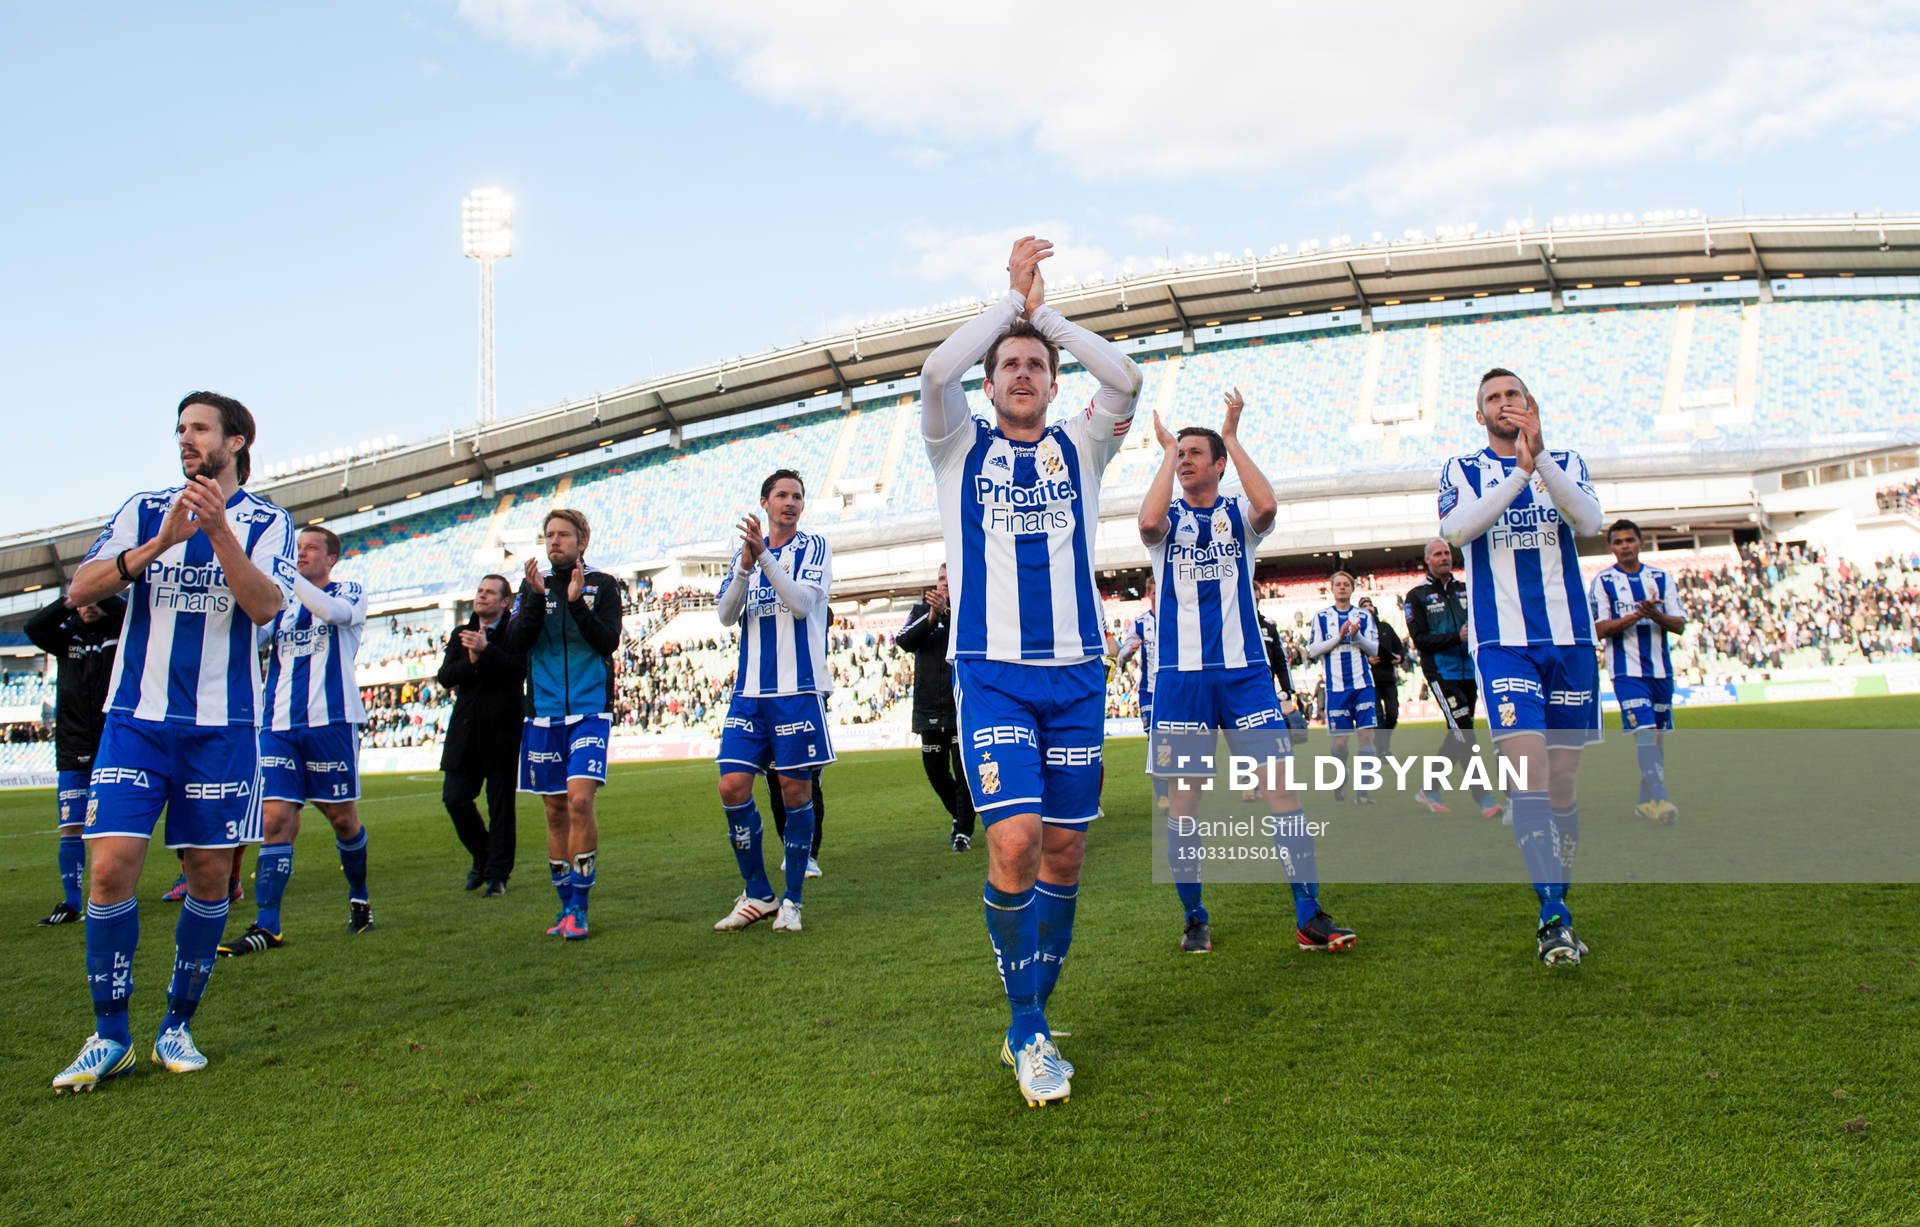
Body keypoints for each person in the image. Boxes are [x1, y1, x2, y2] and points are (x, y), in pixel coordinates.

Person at [921, 234, 1142, 1107]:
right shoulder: (955, 446)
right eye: (1008, 363)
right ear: (991, 378)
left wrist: (1045, 315)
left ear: (1052, 384)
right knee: (1011, 839)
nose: (1020, 372)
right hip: (993, 671)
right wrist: (1006, 304)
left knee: (1065, 849)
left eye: (1034, 365)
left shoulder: (1083, 448)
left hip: (1079, 674)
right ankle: (1024, 1025)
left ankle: (1036, 1013)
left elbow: (1125, 380)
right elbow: (935, 374)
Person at [53, 392, 294, 1091]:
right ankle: (110, 1034)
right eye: (179, 428)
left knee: (210, 877)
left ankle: (177, 1023)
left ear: (238, 439)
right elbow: (79, 589)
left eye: (198, 428)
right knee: (109, 870)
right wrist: (161, 541)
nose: (184, 439)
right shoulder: (141, 507)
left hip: (222, 728)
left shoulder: (267, 522)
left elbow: (266, 606)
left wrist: (216, 532)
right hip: (135, 719)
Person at [1142, 393, 1356, 957]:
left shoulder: (1237, 516)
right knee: (1185, 807)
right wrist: (1165, 454)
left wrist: (1231, 438)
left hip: (1245, 679)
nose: (1185, 459)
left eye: (1195, 453)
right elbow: (1145, 521)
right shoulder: (1170, 523)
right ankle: (1194, 916)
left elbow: (1268, 508)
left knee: (1281, 793)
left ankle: (1309, 914)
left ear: (1218, 465)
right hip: (1182, 682)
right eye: (1179, 453)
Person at [1439, 367, 1604, 967]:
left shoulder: (1568, 462)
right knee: (1528, 772)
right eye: (1492, 398)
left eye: (1513, 395)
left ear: (1531, 405)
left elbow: (1589, 523)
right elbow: (1456, 530)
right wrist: (1518, 475)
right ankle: (1553, 919)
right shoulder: (1463, 470)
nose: (1504, 403)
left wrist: (1542, 465)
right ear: (1478, 413)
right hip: (1503, 645)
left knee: (1562, 782)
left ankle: (1558, 899)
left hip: (1571, 642)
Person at [220, 526, 370, 957]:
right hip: (278, 727)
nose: (301, 554)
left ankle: (359, 897)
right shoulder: (282, 603)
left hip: (331, 723)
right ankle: (268, 925)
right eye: (297, 549)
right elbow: (251, 639)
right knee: (275, 821)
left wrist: (290, 578)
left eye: (310, 549)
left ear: (331, 558)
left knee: (343, 820)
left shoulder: (350, 590)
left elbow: (335, 614)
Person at [711, 470, 833, 934]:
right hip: (749, 694)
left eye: (797, 496)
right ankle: (758, 891)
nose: (790, 502)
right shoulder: (741, 555)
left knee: (794, 792)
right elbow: (725, 614)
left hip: (797, 691)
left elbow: (801, 603)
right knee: (732, 787)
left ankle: (793, 901)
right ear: (764, 502)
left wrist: (765, 557)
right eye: (781, 495)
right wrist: (746, 564)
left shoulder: (814, 547)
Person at [507, 509, 622, 941]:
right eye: (549, 535)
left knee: (578, 802)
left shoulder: (603, 585)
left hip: (590, 709)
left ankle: (582, 905)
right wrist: (536, 598)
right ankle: (566, 905)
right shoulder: (531, 587)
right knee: (554, 811)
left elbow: (606, 641)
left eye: (563, 535)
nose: (554, 541)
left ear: (582, 541)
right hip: (543, 713)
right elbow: (518, 642)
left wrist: (575, 602)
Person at [24, 592, 126, 927]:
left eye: (94, 598)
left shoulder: (120, 628)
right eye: (85, 599)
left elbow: (130, 609)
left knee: (110, 827)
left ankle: (110, 895)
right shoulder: (64, 637)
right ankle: (71, 903)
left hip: (115, 743)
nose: (89, 605)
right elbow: (33, 626)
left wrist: (102, 590)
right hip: (72, 745)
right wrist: (73, 597)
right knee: (71, 826)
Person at [1589, 519, 1686, 823]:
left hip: (1660, 671)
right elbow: (1600, 629)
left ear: (1640, 543)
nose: (1625, 546)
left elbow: (1679, 624)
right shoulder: (1603, 581)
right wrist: (1635, 616)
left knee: (1656, 738)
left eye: (1629, 540)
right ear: (1611, 548)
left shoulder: (1661, 578)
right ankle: (1660, 797)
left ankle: (1645, 802)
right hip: (1626, 673)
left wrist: (1654, 614)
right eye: (1618, 542)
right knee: (1644, 732)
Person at [436, 574, 525, 894]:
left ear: (505, 602)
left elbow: (518, 670)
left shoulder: (514, 632)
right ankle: (482, 855)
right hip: (465, 732)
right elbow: (445, 677)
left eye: (490, 593)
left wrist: (487, 651)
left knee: (500, 805)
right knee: (455, 798)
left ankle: (498, 876)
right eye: (479, 591)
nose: (482, 596)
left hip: (502, 731)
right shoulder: (461, 633)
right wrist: (472, 660)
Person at [1404, 539, 1503, 818]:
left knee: (1458, 732)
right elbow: (1420, 640)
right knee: (1465, 733)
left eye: (1447, 553)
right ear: (1427, 560)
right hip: (1441, 672)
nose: (1444, 557)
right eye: (1437, 554)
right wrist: (1455, 637)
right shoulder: (1417, 596)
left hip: (1470, 671)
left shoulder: (1466, 590)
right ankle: (1483, 798)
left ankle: (1429, 788)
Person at [895, 563, 975, 850]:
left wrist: (947, 613)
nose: (943, 584)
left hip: (958, 706)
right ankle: (959, 814)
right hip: (928, 707)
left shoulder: (967, 611)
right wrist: (932, 616)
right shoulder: (920, 612)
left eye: (949, 579)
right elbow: (903, 641)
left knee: (963, 771)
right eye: (940, 579)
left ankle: (963, 831)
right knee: (935, 772)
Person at [1303, 572, 1380, 804]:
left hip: (1363, 684)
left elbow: (1375, 650)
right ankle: (1342, 774)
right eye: (1338, 584)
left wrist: (1356, 638)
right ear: (1332, 589)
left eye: (1347, 584)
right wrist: (1338, 638)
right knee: (1340, 742)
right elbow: (1313, 650)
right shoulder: (1321, 616)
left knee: (1367, 737)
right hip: (1336, 688)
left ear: (1353, 588)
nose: (1342, 588)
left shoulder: (1364, 615)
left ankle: (1363, 793)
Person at [1113, 578, 1168, 819]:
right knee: (1155, 739)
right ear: (1148, 594)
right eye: (1153, 592)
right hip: (1149, 691)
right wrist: (1127, 652)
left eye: (1160, 592)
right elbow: (1122, 653)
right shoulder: (1140, 623)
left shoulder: (1176, 617)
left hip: (1173, 689)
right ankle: (1163, 795)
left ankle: (1180, 790)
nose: (1156, 596)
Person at [1358, 596, 1405, 755]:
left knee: (1393, 714)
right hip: (1371, 680)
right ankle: (1383, 750)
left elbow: (1399, 647)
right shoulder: (1358, 631)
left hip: (1389, 677)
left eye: (1370, 605)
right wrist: (1368, 660)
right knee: (1378, 716)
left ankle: (1381, 742)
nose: (1369, 607)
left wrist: (1400, 657)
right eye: (1364, 606)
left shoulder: (1385, 627)